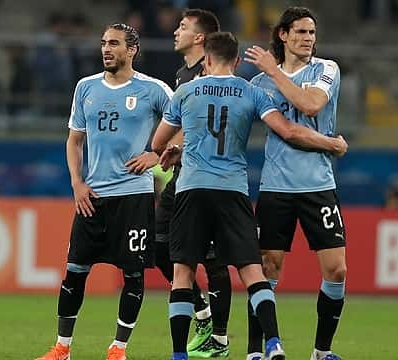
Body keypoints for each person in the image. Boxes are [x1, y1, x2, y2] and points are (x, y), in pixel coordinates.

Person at [152, 31, 348, 360]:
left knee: (183, 273)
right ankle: (273, 343)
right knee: (253, 271)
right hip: (232, 190)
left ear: (208, 59)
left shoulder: (185, 92)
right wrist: (332, 143)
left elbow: (158, 143)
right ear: (238, 61)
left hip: (192, 189)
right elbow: (288, 130)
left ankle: (179, 355)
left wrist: (177, 149)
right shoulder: (252, 92)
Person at [35, 23, 172, 360]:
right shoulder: (86, 87)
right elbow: (74, 140)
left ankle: (118, 349)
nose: (106, 49)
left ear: (132, 50)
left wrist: (156, 154)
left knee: (133, 275)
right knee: (74, 272)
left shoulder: (154, 90)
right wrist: (77, 183)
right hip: (93, 196)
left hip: (134, 196)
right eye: (103, 43)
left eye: (114, 43)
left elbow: (187, 121)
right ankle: (62, 348)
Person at [244, 6, 348, 360]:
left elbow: (311, 105)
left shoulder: (326, 69)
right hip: (276, 187)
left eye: (312, 33)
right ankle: (256, 351)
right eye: (301, 32)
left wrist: (274, 70)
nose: (308, 39)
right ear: (283, 35)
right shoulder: (258, 84)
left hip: (318, 184)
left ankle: (322, 351)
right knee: (267, 269)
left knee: (337, 269)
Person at [155, 8, 232, 358]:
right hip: (182, 177)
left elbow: (200, 121)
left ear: (200, 38)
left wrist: (174, 145)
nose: (175, 31)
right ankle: (201, 311)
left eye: (183, 27)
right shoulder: (183, 73)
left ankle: (219, 338)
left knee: (214, 260)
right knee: (159, 247)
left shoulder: (210, 72)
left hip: (211, 178)